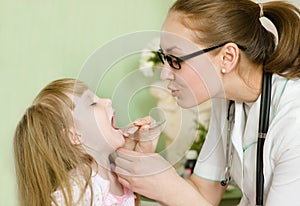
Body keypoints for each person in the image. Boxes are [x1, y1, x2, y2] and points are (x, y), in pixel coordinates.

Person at [115, 0, 300, 205]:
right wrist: (151, 172)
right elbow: (203, 193)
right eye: (164, 57)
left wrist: (169, 187)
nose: (165, 73)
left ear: (227, 57)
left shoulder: (294, 121)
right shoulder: (227, 100)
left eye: (176, 59)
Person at [13, 78, 159, 206]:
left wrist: (136, 158)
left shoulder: (118, 178)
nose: (108, 101)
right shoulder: (77, 193)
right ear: (75, 135)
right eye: (93, 103)